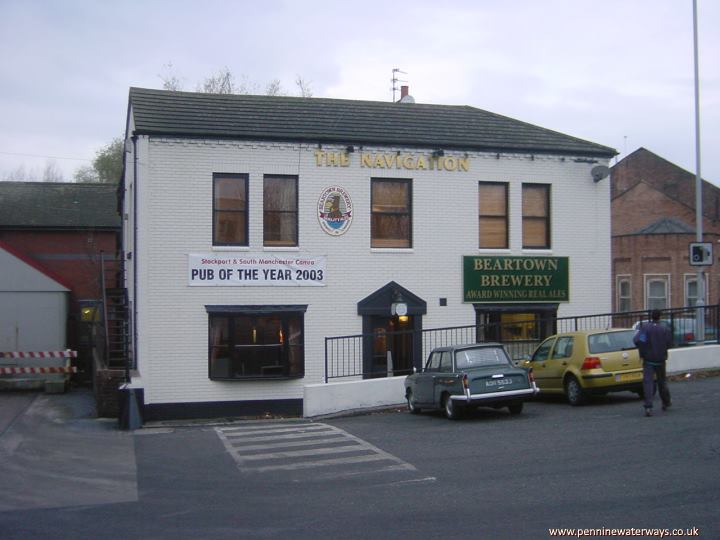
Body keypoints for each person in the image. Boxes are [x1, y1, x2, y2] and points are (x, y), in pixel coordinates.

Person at [634, 310, 673, 417]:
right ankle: (666, 402)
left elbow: (637, 340)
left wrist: (644, 350)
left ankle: (648, 407)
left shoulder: (645, 328)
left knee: (648, 383)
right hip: (660, 360)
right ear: (660, 317)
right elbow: (669, 344)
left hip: (648, 360)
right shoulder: (665, 329)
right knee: (662, 382)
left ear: (651, 317)